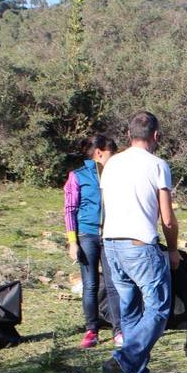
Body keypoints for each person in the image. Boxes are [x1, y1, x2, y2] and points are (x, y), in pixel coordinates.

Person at [98, 111, 180, 373]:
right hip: (139, 245)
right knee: (158, 308)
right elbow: (167, 218)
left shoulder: (111, 164)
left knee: (130, 310)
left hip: (110, 244)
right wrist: (172, 250)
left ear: (129, 134)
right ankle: (124, 360)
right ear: (155, 136)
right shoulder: (158, 166)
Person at [63, 134, 119, 348]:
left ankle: (119, 330)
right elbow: (69, 209)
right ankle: (91, 330)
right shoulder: (77, 176)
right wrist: (72, 241)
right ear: (99, 153)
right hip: (86, 235)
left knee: (114, 284)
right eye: (110, 154)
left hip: (111, 235)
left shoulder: (116, 175)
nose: (113, 158)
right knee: (90, 285)